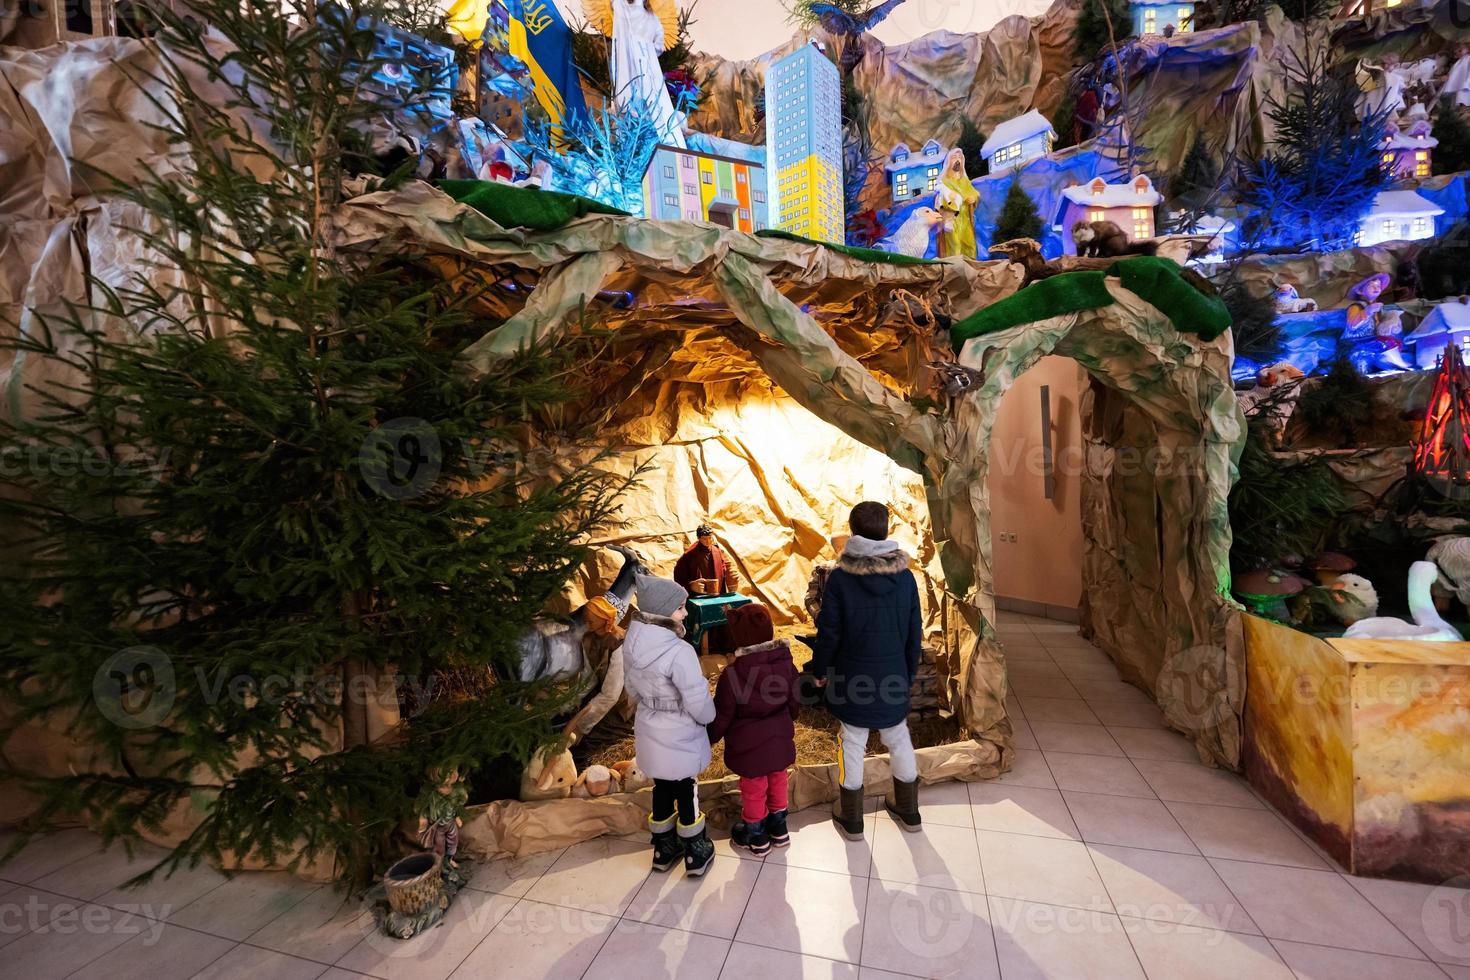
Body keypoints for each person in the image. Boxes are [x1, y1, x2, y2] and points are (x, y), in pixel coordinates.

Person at [811, 501, 924, 839]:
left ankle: (852, 817)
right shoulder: (905, 577)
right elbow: (913, 630)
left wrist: (820, 669)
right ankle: (909, 810)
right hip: (893, 674)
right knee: (899, 738)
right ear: (887, 530)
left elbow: (829, 631)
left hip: (852, 675)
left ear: (852, 530)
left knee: (853, 740)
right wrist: (908, 673)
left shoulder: (842, 579)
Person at [623, 573, 716, 876]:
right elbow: (697, 699)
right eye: (680, 608)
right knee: (686, 788)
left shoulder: (631, 644)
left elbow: (632, 689)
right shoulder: (680, 651)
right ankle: (695, 852)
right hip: (680, 730)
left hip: (650, 726)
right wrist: (708, 717)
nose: (685, 613)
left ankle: (664, 849)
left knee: (661, 787)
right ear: (663, 612)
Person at [707, 603, 800, 856]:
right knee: (778, 777)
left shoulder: (733, 675)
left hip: (749, 746)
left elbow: (723, 714)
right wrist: (790, 717)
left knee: (754, 786)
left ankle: (756, 833)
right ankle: (779, 827)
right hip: (779, 738)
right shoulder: (787, 665)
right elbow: (795, 700)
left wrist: (709, 738)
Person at [673, 523, 739, 596]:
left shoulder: (717, 551)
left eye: (710, 538)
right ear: (699, 538)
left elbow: (726, 567)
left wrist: (731, 575)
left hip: (718, 595)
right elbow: (678, 577)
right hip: (698, 597)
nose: (708, 541)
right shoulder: (689, 555)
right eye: (704, 539)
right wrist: (691, 586)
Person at [804, 533, 850, 623]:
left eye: (845, 545)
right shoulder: (822, 570)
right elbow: (810, 598)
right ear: (834, 548)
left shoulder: (864, 569)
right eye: (838, 547)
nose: (842, 549)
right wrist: (820, 616)